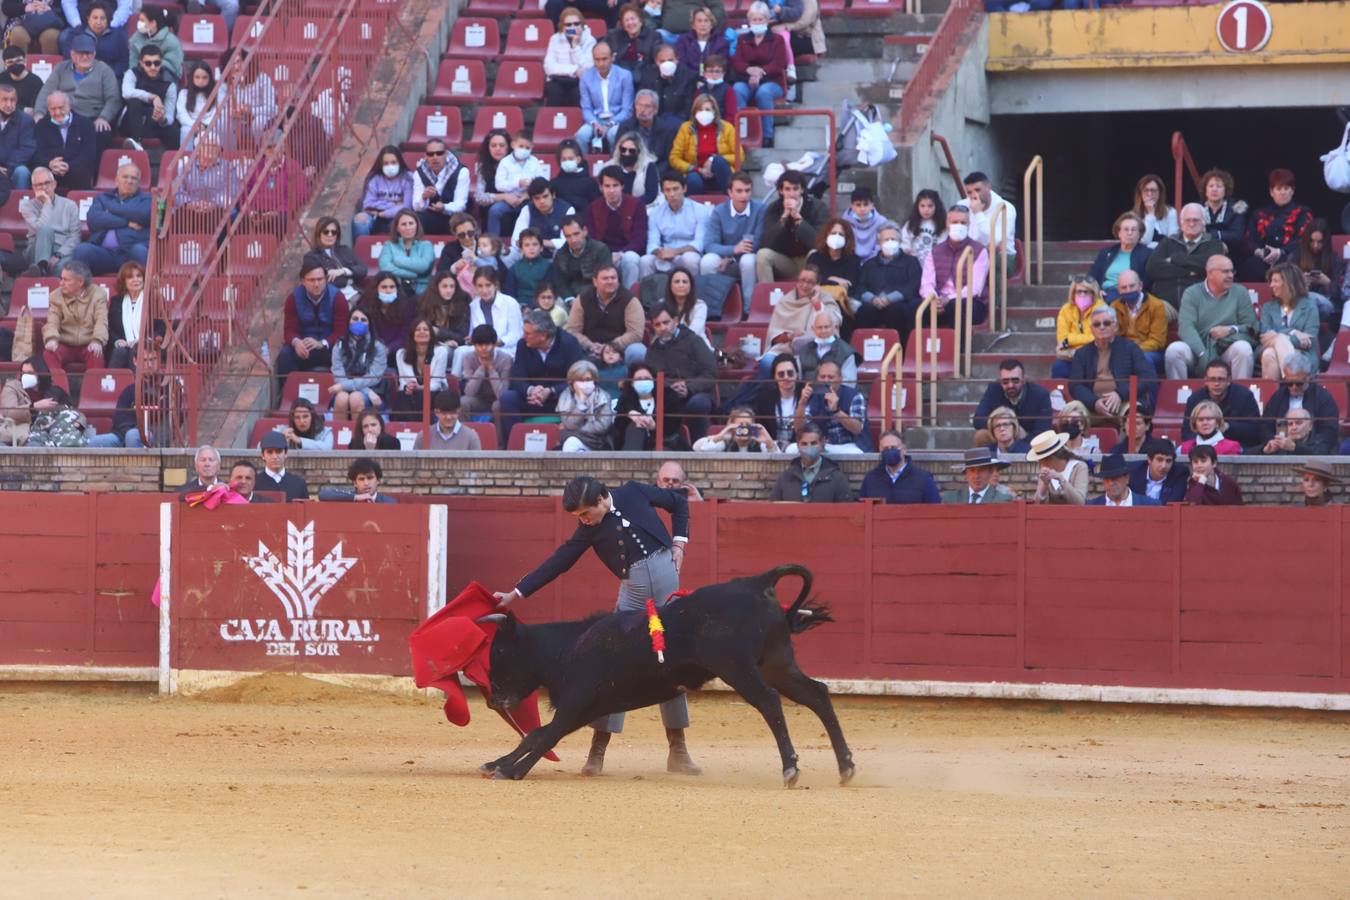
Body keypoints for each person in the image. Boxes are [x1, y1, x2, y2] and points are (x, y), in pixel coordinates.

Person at [491, 475, 699, 777]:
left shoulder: (634, 492)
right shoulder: (589, 529)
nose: (584, 521)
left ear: (602, 499)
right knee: (612, 667)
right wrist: (516, 593)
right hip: (634, 596)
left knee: (670, 661)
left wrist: (680, 543)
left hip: (668, 588)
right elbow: (559, 561)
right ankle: (597, 750)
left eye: (585, 513)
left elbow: (679, 503)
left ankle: (678, 749)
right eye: (578, 516)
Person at [1164, 255, 1255, 380]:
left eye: (1231, 271)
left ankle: (1239, 395)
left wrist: (1231, 329)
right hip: (1198, 350)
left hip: (1225, 349)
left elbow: (1251, 325)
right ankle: (1177, 396)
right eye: (1225, 271)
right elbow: (1186, 328)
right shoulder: (1192, 293)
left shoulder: (1240, 292)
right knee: (1174, 350)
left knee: (1243, 349)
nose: (1230, 275)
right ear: (1210, 273)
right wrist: (1202, 353)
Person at [500, 309, 585, 440]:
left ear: (543, 336)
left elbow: (577, 379)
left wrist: (550, 391)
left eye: (528, 333)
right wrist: (531, 390)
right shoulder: (523, 344)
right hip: (532, 399)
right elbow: (517, 378)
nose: (523, 336)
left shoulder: (569, 343)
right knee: (508, 398)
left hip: (560, 400)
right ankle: (514, 447)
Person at [1067, 305, 1156, 423]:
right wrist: (1094, 402)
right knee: (1070, 413)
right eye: (1097, 324)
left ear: (1116, 326)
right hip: (1092, 406)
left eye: (1107, 323)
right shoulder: (1082, 353)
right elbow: (1075, 385)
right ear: (1091, 329)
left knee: (1134, 416)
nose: (1102, 327)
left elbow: (1147, 379)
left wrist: (1119, 394)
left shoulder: (1130, 348)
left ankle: (1125, 443)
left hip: (1123, 403)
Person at [35, 33, 121, 147]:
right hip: (63, 115)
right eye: (81, 53)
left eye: (89, 53)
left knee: (102, 132)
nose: (85, 57)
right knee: (41, 127)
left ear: (94, 54)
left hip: (92, 117)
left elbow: (113, 99)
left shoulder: (104, 70)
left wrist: (103, 118)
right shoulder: (61, 68)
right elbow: (46, 92)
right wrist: (39, 113)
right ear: (72, 54)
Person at [645, 302, 717, 438]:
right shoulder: (652, 351)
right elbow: (650, 378)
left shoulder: (694, 341)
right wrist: (671, 388)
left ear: (676, 321)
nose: (663, 328)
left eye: (666, 322)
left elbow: (710, 373)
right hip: (666, 396)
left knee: (698, 404)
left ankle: (698, 449)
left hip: (696, 393)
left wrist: (688, 387)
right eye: (657, 325)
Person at [276, 260, 350, 386]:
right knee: (285, 355)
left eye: (320, 279)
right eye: (311, 280)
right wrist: (296, 342)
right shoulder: (293, 298)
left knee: (344, 352)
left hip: (329, 347)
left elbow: (341, 332)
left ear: (326, 279)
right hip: (304, 348)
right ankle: (289, 390)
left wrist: (322, 343)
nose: (316, 284)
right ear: (303, 281)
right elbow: (289, 330)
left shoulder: (338, 298)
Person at [71, 162, 149, 275]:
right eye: (125, 177)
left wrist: (110, 210)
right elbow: (94, 220)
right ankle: (79, 292)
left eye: (134, 178)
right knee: (82, 250)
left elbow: (142, 215)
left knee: (140, 250)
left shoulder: (147, 199)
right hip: (103, 253)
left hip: (130, 253)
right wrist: (126, 222)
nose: (129, 181)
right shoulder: (103, 198)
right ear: (117, 180)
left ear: (139, 182)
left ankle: (145, 292)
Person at [1145, 203, 1226, 311]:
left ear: (1204, 222)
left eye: (1195, 220)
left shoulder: (1214, 244)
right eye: (1187, 220)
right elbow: (1152, 268)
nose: (1191, 224)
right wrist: (1189, 272)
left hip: (1201, 304)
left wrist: (1175, 259)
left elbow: (1212, 267)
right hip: (1167, 304)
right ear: (1181, 223)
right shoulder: (1167, 242)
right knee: (1153, 313)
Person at [919, 203, 989, 327]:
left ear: (969, 225)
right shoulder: (936, 251)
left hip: (971, 302)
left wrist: (949, 299)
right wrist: (934, 300)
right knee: (916, 308)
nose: (959, 226)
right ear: (947, 223)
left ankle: (959, 346)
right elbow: (927, 283)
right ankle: (923, 346)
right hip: (939, 299)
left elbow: (974, 288)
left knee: (955, 307)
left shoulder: (978, 251)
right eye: (954, 222)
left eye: (963, 223)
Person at [1237, 168, 1313, 283]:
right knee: (1249, 266)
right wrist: (1258, 251)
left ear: (1292, 191)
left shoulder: (1303, 212)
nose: (1282, 192)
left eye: (1286, 188)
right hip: (1263, 259)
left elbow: (1303, 239)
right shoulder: (1259, 213)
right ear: (1271, 192)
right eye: (1278, 189)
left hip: (1290, 258)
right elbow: (1249, 238)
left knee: (1293, 266)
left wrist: (1280, 252)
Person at [699, 170, 764, 300]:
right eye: (739, 191)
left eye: (747, 190)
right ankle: (711, 306)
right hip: (726, 256)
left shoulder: (761, 209)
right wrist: (733, 249)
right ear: (730, 193)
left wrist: (731, 258)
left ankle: (748, 308)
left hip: (744, 258)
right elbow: (710, 245)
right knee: (707, 261)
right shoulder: (719, 211)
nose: (744, 195)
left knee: (748, 261)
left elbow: (756, 243)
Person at [731, 2, 787, 147]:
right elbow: (737, 62)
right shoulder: (742, 39)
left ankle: (767, 136)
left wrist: (761, 72)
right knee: (737, 89)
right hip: (746, 79)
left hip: (772, 81)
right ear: (749, 21)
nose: (757, 22)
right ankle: (743, 133)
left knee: (764, 92)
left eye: (761, 19)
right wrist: (749, 71)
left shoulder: (777, 40)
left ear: (767, 20)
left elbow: (780, 63)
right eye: (754, 19)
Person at [1258, 356, 1340, 455]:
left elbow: (1329, 433)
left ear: (1308, 377)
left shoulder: (1323, 397)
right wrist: (1275, 442)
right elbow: (1265, 427)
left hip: (1313, 453)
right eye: (1289, 383)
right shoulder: (1278, 396)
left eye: (1299, 383)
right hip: (1281, 452)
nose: (1294, 387)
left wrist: (1298, 447)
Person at [567, 263, 646, 364]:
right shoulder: (582, 299)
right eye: (605, 278)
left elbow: (635, 334)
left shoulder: (630, 301)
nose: (610, 281)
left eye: (613, 278)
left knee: (637, 350)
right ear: (595, 281)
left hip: (620, 349)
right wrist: (589, 345)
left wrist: (610, 346)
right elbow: (573, 331)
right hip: (590, 348)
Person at [761, 265, 842, 360]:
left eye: (810, 282)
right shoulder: (785, 301)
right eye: (802, 280)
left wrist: (817, 303)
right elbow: (773, 336)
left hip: (816, 350)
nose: (804, 285)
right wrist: (790, 336)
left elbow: (835, 321)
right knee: (767, 361)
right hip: (785, 349)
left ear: (817, 285)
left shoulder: (825, 299)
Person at [9, 166, 78, 276]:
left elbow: (75, 237)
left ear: (54, 184)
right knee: (45, 230)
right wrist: (47, 203)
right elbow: (40, 229)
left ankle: (40, 272)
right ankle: (41, 268)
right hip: (36, 249)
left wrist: (58, 255)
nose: (44, 188)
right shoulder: (27, 206)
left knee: (61, 268)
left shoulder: (70, 205)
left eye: (47, 183)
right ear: (33, 188)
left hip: (60, 249)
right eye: (39, 185)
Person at [1179, 359, 1262, 449]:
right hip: (1202, 449)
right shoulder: (1195, 399)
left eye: (1221, 379)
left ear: (1229, 380)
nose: (1216, 383)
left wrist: (1228, 427)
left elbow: (1255, 430)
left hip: (1237, 448)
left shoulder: (1245, 396)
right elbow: (1186, 433)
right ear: (1205, 380)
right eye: (1212, 379)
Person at [41, 259, 107, 371]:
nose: (61, 283)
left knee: (96, 354)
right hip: (64, 344)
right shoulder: (55, 296)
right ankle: (56, 387)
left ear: (80, 282)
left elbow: (101, 321)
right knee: (49, 354)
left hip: (88, 343)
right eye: (61, 278)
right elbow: (52, 321)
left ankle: (93, 388)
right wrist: (51, 338)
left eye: (66, 280)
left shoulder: (98, 294)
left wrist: (97, 340)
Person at [587, 166, 647, 289]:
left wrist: (620, 254)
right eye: (607, 186)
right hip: (602, 253)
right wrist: (605, 255)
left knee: (631, 259)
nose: (611, 190)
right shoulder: (593, 207)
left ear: (622, 186)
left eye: (615, 185)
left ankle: (629, 299)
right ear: (601, 187)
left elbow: (639, 239)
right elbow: (591, 238)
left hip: (626, 252)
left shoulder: (636, 205)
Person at [668, 93, 740, 195]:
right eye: (700, 110)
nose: (703, 113)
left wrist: (713, 160)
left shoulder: (727, 128)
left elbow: (740, 155)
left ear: (714, 111)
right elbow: (674, 158)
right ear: (694, 112)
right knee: (693, 179)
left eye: (707, 110)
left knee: (718, 161)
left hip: (720, 175)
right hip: (697, 174)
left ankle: (732, 202)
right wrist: (697, 169)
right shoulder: (685, 128)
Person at [1256, 262, 1318, 380]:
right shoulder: (1268, 307)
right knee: (1271, 348)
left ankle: (1277, 392)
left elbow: (1309, 340)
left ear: (1289, 283)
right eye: (1271, 281)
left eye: (1276, 281)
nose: (1271, 285)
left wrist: (1282, 336)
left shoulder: (1309, 306)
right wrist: (1293, 332)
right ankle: (1292, 379)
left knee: (1271, 351)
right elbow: (1264, 335)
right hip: (1269, 348)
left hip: (1302, 355)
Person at [641, 171, 705, 279]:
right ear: (662, 192)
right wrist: (660, 252)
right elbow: (652, 243)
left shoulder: (700, 210)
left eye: (675, 189)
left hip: (688, 253)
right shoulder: (655, 213)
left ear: (684, 189)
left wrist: (675, 252)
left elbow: (700, 243)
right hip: (664, 255)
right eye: (667, 190)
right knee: (645, 260)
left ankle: (694, 293)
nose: (671, 194)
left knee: (690, 259)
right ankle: (648, 294)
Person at [328, 306, 388, 421]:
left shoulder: (378, 347)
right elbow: (339, 377)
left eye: (363, 320)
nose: (359, 322)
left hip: (374, 389)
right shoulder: (339, 346)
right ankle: (339, 438)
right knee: (341, 398)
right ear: (349, 322)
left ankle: (359, 438)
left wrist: (367, 391)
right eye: (355, 319)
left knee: (356, 398)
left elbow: (374, 378)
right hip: (349, 388)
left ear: (369, 324)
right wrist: (366, 391)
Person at [487, 132, 549, 238]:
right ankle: (493, 243)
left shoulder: (534, 162)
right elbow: (499, 184)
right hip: (509, 199)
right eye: (521, 146)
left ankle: (531, 241)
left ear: (532, 147)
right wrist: (517, 183)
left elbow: (541, 181)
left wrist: (527, 194)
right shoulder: (505, 162)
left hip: (528, 198)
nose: (524, 150)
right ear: (513, 145)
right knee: (494, 211)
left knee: (535, 210)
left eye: (527, 147)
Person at [32, 90, 97, 191]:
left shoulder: (85, 124)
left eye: (61, 108)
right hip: (51, 169)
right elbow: (37, 154)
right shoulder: (42, 126)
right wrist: (50, 163)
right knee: (39, 173)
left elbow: (89, 154)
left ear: (69, 106)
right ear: (48, 109)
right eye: (53, 109)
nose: (57, 112)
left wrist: (68, 166)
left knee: (81, 172)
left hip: (76, 169)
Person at [770, 423, 853, 502]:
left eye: (813, 443)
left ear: (822, 443)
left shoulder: (837, 478)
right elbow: (772, 509)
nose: (809, 448)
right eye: (804, 444)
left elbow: (848, 511)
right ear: (798, 445)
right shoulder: (786, 477)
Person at [576, 41, 633, 153]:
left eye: (604, 59)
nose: (601, 63)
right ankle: (585, 166)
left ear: (612, 57)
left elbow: (627, 110)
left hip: (617, 119)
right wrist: (594, 123)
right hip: (596, 119)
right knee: (581, 135)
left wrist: (610, 124)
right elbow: (586, 108)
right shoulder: (586, 78)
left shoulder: (625, 76)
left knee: (613, 134)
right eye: (597, 60)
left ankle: (615, 165)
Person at [611, 361, 681, 451]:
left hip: (665, 444)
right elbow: (618, 429)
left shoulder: (668, 397)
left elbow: (674, 425)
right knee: (636, 427)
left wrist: (654, 426)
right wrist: (631, 415)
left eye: (647, 378)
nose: (643, 381)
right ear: (632, 383)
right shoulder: (626, 400)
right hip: (633, 444)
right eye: (639, 379)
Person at [119, 44, 176, 151]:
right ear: (141, 63)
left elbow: (170, 116)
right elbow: (126, 93)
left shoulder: (169, 82)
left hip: (154, 123)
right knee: (134, 102)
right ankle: (136, 143)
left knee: (174, 129)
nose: (153, 67)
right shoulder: (132, 73)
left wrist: (162, 119)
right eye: (148, 63)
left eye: (157, 63)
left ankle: (173, 163)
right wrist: (152, 97)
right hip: (130, 122)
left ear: (161, 62)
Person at [972, 358, 1051, 435]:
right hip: (1000, 435)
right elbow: (978, 420)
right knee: (981, 435)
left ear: (1024, 380)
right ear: (1000, 381)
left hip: (1027, 438)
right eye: (1005, 382)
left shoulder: (1040, 395)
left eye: (1015, 380)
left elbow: (1042, 431)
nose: (1010, 385)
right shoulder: (993, 390)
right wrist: (1006, 425)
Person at [1110, 269, 1168, 372]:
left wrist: (1134, 350)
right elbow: (1113, 336)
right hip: (1124, 352)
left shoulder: (1156, 305)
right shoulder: (1114, 306)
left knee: (1142, 359)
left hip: (1150, 352)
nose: (1128, 290)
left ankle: (1149, 388)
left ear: (1140, 285)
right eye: (1124, 287)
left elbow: (1158, 341)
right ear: (1118, 290)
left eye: (1132, 286)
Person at [612, 98, 669, 201]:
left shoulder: (648, 166)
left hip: (644, 207)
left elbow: (651, 195)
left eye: (647, 106)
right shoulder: (625, 126)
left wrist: (631, 205)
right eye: (639, 105)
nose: (642, 109)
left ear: (656, 110)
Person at [411, 138, 470, 236]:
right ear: (425, 156)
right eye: (431, 154)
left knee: (460, 222)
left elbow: (461, 204)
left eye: (439, 153)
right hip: (430, 216)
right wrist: (424, 197)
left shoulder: (461, 171)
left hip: (454, 215)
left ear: (446, 154)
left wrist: (444, 207)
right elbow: (416, 206)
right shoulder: (419, 172)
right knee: (416, 220)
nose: (435, 157)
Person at [353, 145, 414, 238]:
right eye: (386, 163)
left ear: (399, 162)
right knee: (359, 221)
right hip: (375, 216)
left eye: (393, 162)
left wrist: (383, 213)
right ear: (381, 164)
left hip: (398, 216)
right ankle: (360, 251)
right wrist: (394, 204)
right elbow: (368, 204)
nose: (390, 166)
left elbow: (406, 207)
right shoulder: (374, 179)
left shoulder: (408, 178)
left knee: (402, 223)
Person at [1051, 277, 1106, 379]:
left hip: (1094, 355)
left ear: (1093, 293)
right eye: (1079, 292)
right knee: (1059, 367)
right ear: (1073, 293)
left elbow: (1099, 337)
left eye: (1086, 292)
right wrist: (1085, 340)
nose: (1082, 295)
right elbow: (1062, 339)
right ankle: (1059, 394)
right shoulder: (1066, 310)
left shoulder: (1101, 308)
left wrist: (1071, 340)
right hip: (1071, 357)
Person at [1088, 212, 1151, 299]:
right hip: (1103, 294)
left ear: (1139, 234)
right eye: (1126, 229)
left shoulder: (1147, 254)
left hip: (1127, 295)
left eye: (1133, 230)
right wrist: (1097, 291)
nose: (1129, 233)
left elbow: (1146, 282)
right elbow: (1092, 276)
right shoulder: (1106, 253)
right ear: (1119, 233)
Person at [394, 317, 448, 418]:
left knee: (424, 397)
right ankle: (407, 430)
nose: (422, 332)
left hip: (434, 393)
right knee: (401, 397)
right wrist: (407, 388)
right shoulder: (401, 354)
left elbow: (436, 384)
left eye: (425, 329)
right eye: (418, 329)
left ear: (431, 333)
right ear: (412, 334)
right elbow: (403, 383)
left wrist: (420, 388)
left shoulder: (441, 351)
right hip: (411, 396)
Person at [963, 171, 1017, 270]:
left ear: (989, 187)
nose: (974, 195)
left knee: (989, 264)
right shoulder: (963, 205)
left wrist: (978, 213)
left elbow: (996, 242)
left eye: (977, 190)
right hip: (972, 253)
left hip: (1003, 257)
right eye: (969, 192)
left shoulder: (1005, 208)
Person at [551, 215, 614, 302]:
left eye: (576, 234)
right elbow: (560, 283)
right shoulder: (560, 255)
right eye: (568, 236)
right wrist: (570, 299)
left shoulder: (600, 250)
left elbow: (605, 279)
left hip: (597, 296)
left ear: (584, 231)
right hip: (570, 298)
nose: (573, 240)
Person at [543, 7, 596, 108]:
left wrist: (575, 46)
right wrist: (574, 70)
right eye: (568, 25)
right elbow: (548, 67)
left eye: (576, 24)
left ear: (582, 25)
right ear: (562, 27)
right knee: (554, 91)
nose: (573, 27)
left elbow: (588, 68)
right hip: (558, 80)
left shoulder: (590, 40)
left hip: (579, 81)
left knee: (578, 92)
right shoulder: (555, 39)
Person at [805, 218, 861, 313]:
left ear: (847, 239)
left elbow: (849, 286)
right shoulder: (815, 257)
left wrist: (825, 280)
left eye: (841, 234)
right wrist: (832, 279)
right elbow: (809, 282)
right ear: (826, 236)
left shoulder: (853, 260)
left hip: (842, 304)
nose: (837, 237)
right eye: (833, 233)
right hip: (817, 301)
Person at [460, 323, 512, 425]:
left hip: (497, 400)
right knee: (463, 402)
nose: (483, 348)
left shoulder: (505, 359)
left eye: (487, 345)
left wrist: (491, 370)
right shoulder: (468, 358)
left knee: (498, 406)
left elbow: (502, 395)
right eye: (479, 345)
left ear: (494, 344)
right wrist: (482, 368)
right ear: (474, 345)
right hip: (478, 399)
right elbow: (469, 392)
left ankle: (498, 441)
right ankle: (466, 438)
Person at [637, 43, 696, 130]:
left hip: (677, 121)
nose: (667, 64)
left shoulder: (689, 76)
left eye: (670, 60)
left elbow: (688, 108)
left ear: (677, 59)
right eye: (662, 61)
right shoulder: (648, 75)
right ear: (656, 61)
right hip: (652, 119)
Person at [510, 178, 575, 256]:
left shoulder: (567, 210)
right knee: (510, 254)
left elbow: (567, 241)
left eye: (545, 196)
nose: (542, 201)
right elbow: (516, 239)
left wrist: (539, 242)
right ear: (532, 200)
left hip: (557, 255)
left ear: (553, 195)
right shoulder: (527, 209)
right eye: (537, 198)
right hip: (532, 254)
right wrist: (530, 245)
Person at [105, 260, 150, 370]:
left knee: (135, 351)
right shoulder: (116, 301)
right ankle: (113, 384)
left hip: (148, 345)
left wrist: (143, 340)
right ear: (124, 282)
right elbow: (110, 329)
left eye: (139, 276)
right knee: (120, 351)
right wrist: (117, 341)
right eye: (130, 277)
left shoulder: (153, 300)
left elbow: (161, 327)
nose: (136, 280)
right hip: (123, 346)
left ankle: (137, 386)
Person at [378, 209, 436, 294]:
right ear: (397, 228)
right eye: (403, 224)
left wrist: (397, 260)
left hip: (422, 292)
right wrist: (414, 275)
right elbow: (385, 268)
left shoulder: (426, 245)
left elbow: (423, 266)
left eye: (411, 223)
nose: (408, 227)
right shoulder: (389, 245)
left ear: (417, 225)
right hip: (397, 290)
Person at [753, 352, 803, 449]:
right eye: (781, 374)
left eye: (790, 373)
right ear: (774, 377)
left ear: (797, 374)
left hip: (798, 446)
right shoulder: (764, 398)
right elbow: (759, 426)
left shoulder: (807, 395)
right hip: (771, 446)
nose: (786, 377)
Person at [1026, 429, 1087, 505]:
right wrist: (1044, 485)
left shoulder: (1079, 467)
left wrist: (1060, 478)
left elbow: (1080, 502)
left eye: (1040, 460)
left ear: (1050, 458)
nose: (1040, 463)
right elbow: (1037, 504)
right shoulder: (1045, 470)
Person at [309, 219, 367, 296]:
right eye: (326, 232)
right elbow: (322, 282)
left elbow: (363, 269)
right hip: (332, 297)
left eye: (333, 232)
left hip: (355, 292)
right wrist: (350, 276)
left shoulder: (344, 250)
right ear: (318, 234)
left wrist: (343, 271)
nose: (330, 235)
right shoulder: (312, 257)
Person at [1298, 219, 1344, 318]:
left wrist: (1327, 282)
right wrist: (1300, 282)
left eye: (1319, 242)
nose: (1315, 245)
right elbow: (1286, 285)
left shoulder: (1334, 259)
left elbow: (1343, 293)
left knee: (1311, 298)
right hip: (1300, 300)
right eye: (1312, 241)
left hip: (1327, 302)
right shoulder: (1297, 257)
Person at [798, 310, 855, 385]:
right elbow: (798, 380)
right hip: (810, 395)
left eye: (827, 327)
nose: (823, 331)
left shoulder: (846, 352)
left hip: (836, 395)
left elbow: (849, 384)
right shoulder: (804, 351)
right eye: (819, 327)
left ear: (833, 327)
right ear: (813, 329)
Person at [940, 446, 1013, 504]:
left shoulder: (1002, 500)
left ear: (990, 473)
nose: (976, 476)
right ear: (966, 474)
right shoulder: (950, 499)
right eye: (972, 470)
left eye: (981, 470)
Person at [470, 128, 513, 225]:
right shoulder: (483, 167)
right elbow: (479, 197)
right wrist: (503, 197)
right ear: (488, 148)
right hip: (489, 211)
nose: (498, 148)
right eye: (493, 145)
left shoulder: (516, 165)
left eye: (502, 145)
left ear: (508, 147)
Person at [1199, 168, 1247, 253]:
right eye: (1211, 186)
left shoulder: (1236, 208)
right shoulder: (1197, 208)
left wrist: (1212, 234)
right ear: (1205, 190)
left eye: (1219, 186)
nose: (1214, 189)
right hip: (1202, 251)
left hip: (1231, 252)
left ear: (1226, 190)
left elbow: (1237, 236)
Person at [128, 7, 183, 81]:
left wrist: (148, 65)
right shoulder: (136, 37)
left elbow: (172, 67)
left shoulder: (171, 41)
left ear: (153, 23)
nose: (139, 23)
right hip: (140, 78)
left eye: (142, 20)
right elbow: (133, 61)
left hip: (164, 80)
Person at [1128, 437, 1188, 505]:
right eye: (1159, 460)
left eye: (1168, 461)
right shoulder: (1133, 471)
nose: (1164, 466)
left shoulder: (1179, 473)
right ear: (1149, 459)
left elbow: (1172, 503)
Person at [840, 187, 893, 264]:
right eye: (858, 205)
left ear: (872, 205)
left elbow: (881, 245)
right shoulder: (845, 222)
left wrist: (870, 262)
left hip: (875, 262)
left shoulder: (882, 222)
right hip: (851, 262)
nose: (862, 209)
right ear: (852, 206)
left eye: (866, 204)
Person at [1087, 452, 1160, 507]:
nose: (1111, 483)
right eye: (1107, 479)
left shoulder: (1150, 505)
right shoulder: (1091, 506)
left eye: (1115, 478)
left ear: (1127, 478)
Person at [609, 3, 661, 78]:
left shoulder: (654, 36)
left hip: (644, 76)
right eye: (626, 20)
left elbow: (655, 61)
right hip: (619, 77)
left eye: (633, 19)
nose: (630, 23)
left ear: (640, 21)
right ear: (623, 25)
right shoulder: (614, 36)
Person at [693, 405, 774, 452]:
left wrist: (769, 443)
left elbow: (779, 460)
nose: (744, 428)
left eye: (748, 424)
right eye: (740, 424)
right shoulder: (724, 442)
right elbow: (697, 448)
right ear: (732, 426)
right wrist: (719, 437)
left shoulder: (760, 443)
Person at [257, 431, 310, 500]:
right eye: (270, 452)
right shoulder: (254, 483)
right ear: (263, 455)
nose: (275, 456)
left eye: (278, 451)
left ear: (286, 453)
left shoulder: (298, 483)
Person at [551, 139, 600, 214]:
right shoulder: (554, 183)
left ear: (578, 159)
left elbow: (596, 208)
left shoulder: (590, 183)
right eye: (564, 159)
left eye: (570, 158)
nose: (567, 162)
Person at [0, 84, 35, 189]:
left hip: (14, 168)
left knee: (22, 172)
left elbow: (27, 149)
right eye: (4, 100)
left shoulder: (26, 120)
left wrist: (8, 168)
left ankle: (21, 205)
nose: (9, 104)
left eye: (12, 100)